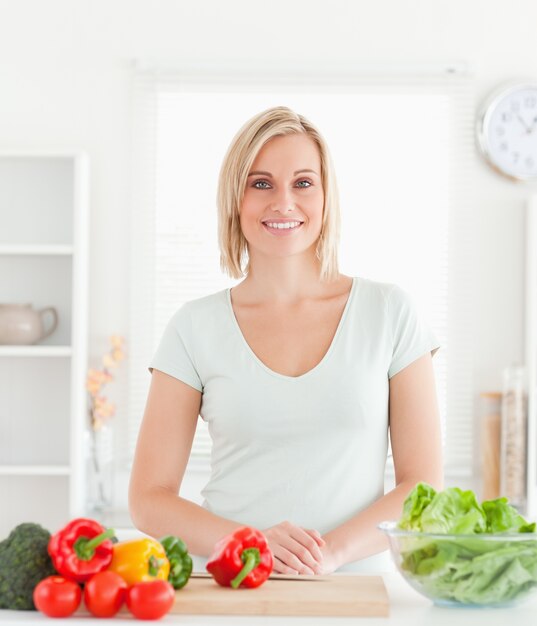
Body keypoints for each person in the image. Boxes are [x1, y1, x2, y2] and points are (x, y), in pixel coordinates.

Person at [128, 105, 443, 575]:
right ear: (236, 198)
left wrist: (328, 554)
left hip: (352, 591)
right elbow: (148, 499)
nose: (283, 202)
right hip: (230, 584)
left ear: (326, 197)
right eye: (261, 184)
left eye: (302, 182)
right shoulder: (193, 327)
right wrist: (248, 544)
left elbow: (422, 487)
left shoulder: (390, 313)